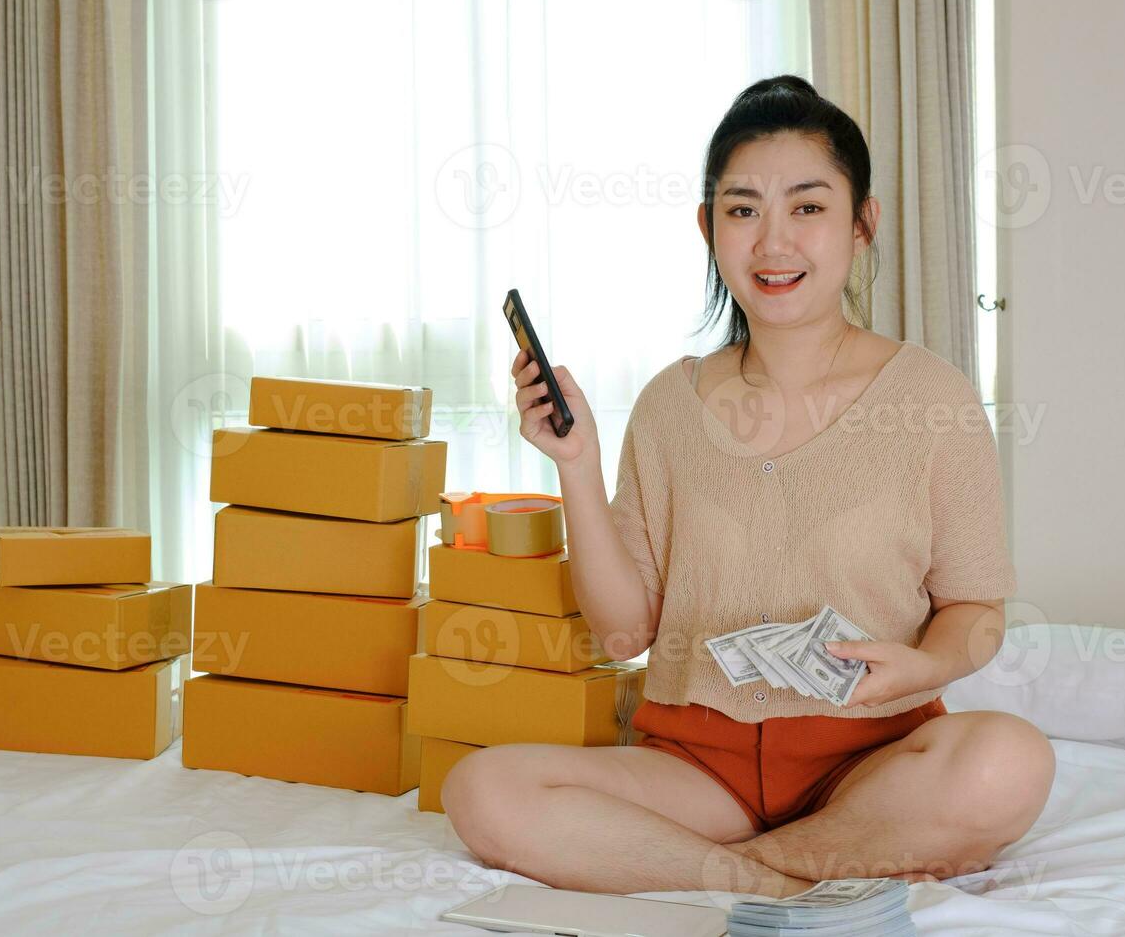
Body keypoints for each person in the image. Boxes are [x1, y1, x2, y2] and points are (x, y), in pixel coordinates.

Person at [440, 75, 1055, 899]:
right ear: (709, 227)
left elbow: (976, 615)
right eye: (742, 210)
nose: (773, 242)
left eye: (807, 208)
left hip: (870, 763)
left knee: (1009, 761)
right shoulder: (667, 405)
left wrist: (916, 669)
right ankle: (799, 878)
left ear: (861, 224)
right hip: (699, 773)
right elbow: (624, 635)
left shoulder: (933, 400)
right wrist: (576, 465)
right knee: (482, 791)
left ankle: (733, 872)